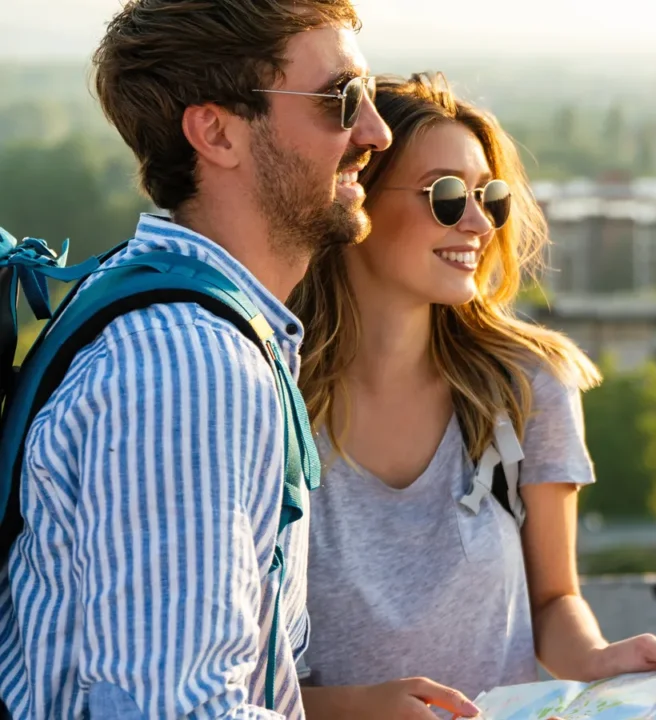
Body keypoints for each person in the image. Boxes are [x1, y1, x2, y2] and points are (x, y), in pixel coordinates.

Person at [0, 1, 392, 717]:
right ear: (216, 132)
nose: (376, 131)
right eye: (342, 99)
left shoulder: (164, 308)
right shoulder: (191, 366)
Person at [288, 72, 656, 719]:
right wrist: (357, 709)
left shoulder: (526, 387)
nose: (479, 223)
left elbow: (553, 601)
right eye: (446, 196)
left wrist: (596, 658)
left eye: (492, 197)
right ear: (356, 195)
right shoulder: (267, 397)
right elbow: (229, 676)